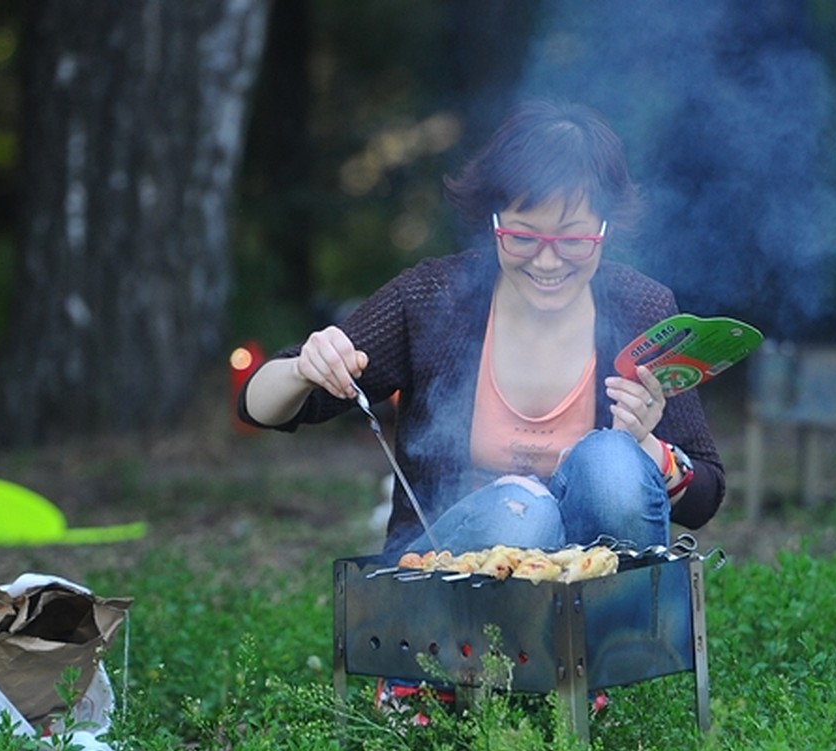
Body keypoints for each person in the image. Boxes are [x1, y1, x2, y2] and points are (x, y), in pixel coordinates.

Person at [239, 98, 724, 561]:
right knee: (523, 512)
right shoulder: (434, 298)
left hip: (592, 587)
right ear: (492, 221)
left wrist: (646, 448)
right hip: (450, 582)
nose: (549, 259)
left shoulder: (642, 308)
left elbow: (704, 498)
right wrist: (304, 368)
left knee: (613, 464)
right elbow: (259, 407)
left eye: (573, 239)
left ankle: (620, 643)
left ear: (605, 230)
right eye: (522, 236)